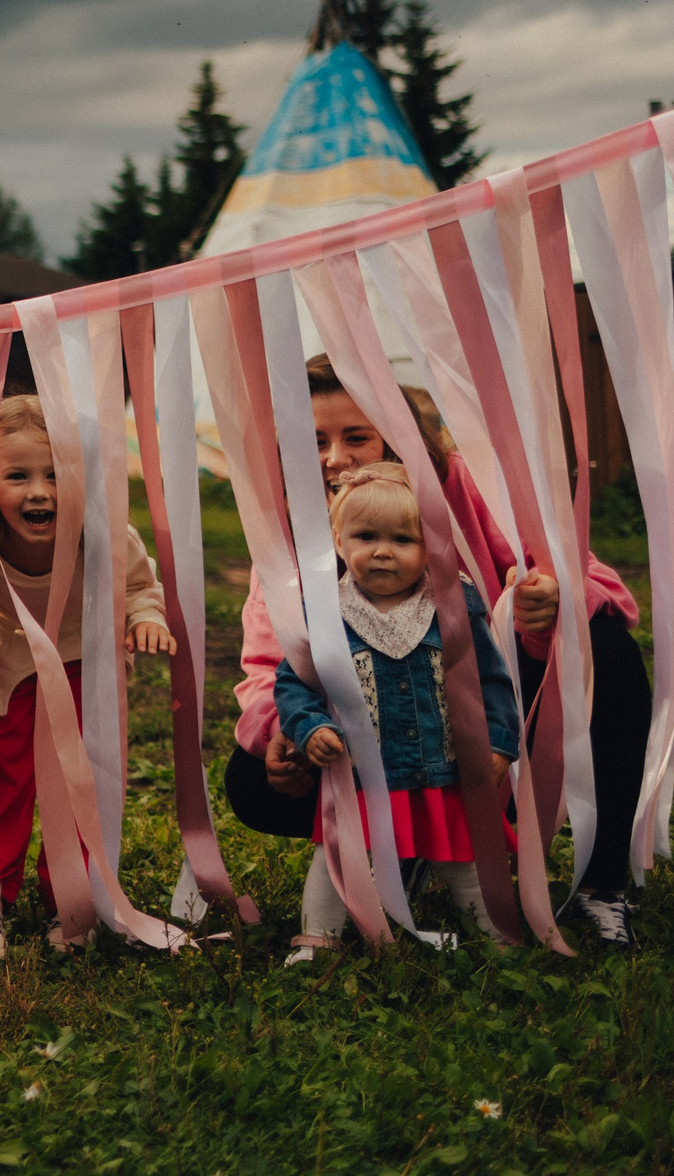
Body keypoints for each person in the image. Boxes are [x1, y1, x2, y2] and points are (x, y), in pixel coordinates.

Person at [227, 355, 647, 944]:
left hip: (480, 728)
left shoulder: (453, 484)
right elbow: (267, 660)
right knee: (248, 780)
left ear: (395, 438)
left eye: (355, 436)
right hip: (367, 742)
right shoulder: (292, 525)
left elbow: (588, 576)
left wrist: (551, 603)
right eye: (314, 440)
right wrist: (281, 729)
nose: (332, 457)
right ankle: (400, 842)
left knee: (605, 644)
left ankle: (601, 885)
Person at [0, 395, 172, 961]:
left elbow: (140, 587)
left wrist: (146, 618)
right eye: (18, 475)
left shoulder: (104, 533)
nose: (40, 490)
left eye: (55, 474)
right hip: (2, 682)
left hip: (82, 676)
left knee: (80, 792)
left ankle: (72, 902)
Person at [276, 464, 520, 962]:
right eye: (365, 536)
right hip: (362, 776)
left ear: (430, 548)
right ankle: (317, 941)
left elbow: (492, 681)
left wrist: (498, 741)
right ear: (339, 544)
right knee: (339, 857)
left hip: (444, 765)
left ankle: (496, 935)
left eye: (403, 540)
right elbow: (294, 682)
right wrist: (310, 727)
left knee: (462, 856)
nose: (382, 551)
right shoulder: (325, 613)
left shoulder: (455, 605)